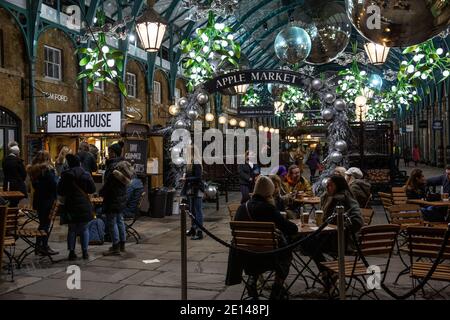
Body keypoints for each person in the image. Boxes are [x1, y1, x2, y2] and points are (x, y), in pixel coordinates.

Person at [234, 176, 298, 299]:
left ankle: (252, 279)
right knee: (286, 254)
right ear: (269, 191)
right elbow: (291, 229)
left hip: (246, 256)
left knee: (258, 249)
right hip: (269, 257)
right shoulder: (268, 208)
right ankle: (277, 288)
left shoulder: (242, 207)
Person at [300, 175, 363, 291]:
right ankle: (327, 273)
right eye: (327, 185)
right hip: (328, 235)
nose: (327, 187)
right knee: (306, 242)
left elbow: (358, 221)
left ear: (338, 186)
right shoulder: (328, 197)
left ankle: (327, 273)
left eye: (330, 185)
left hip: (340, 240)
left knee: (308, 244)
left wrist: (340, 227)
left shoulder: (344, 197)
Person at [57, 154, 96, 260]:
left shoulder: (65, 175)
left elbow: (60, 191)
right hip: (84, 205)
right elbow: (92, 189)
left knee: (72, 229)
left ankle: (71, 252)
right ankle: (85, 252)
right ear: (79, 163)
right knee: (84, 229)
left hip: (70, 205)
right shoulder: (86, 174)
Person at [100, 142, 132, 255]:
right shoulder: (123, 164)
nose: (109, 154)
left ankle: (115, 246)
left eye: (110, 152)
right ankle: (122, 244)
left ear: (114, 153)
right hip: (121, 197)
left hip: (112, 198)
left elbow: (109, 184)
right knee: (119, 220)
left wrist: (101, 193)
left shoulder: (113, 166)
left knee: (112, 222)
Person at [27, 151, 58, 255]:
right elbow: (54, 184)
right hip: (48, 199)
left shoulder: (33, 170)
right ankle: (44, 246)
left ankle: (38, 247)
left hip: (39, 199)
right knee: (46, 224)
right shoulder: (48, 170)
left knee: (42, 223)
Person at [182, 145, 205, 240]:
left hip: (197, 189)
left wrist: (186, 178)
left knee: (198, 211)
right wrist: (185, 176)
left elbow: (198, 177)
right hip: (191, 189)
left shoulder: (196, 162)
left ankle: (200, 232)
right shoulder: (190, 163)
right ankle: (193, 228)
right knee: (192, 211)